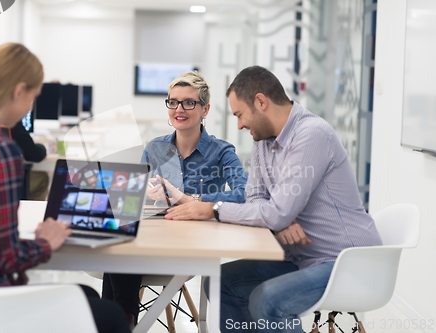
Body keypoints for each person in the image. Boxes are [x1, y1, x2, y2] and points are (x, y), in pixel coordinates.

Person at [163, 65, 382, 333]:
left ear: (261, 102)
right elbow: (256, 197)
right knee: (220, 283)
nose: (240, 125)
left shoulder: (311, 134)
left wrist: (214, 209)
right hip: (301, 258)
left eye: (240, 114)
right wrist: (279, 219)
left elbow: (276, 210)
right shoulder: (263, 140)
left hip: (346, 261)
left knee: (269, 300)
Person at [0, 43, 129, 333]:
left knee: (85, 296)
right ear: (18, 91)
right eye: (33, 98)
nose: (29, 107)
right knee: (110, 316)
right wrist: (45, 243)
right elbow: (4, 257)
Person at [102, 70, 248, 326]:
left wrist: (186, 197)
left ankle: (121, 320)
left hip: (192, 246)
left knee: (121, 252)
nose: (179, 109)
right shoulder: (155, 148)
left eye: (189, 102)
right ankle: (121, 321)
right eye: (173, 101)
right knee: (119, 240)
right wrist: (144, 191)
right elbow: (132, 202)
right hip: (150, 240)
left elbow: (242, 193)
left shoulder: (222, 152)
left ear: (205, 109)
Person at [10, 121, 50, 200]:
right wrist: (42, 147)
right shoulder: (12, 123)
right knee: (43, 178)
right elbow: (35, 155)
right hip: (9, 182)